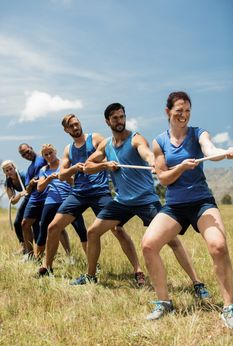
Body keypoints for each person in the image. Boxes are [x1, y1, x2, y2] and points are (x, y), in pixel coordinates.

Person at [75, 102, 208, 294]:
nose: (120, 121)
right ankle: (90, 275)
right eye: (115, 118)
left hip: (146, 200)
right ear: (107, 121)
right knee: (93, 232)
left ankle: (197, 283)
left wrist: (154, 162)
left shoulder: (136, 139)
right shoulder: (106, 144)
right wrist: (105, 165)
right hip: (122, 202)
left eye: (122, 117)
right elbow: (87, 166)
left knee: (172, 240)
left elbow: (146, 154)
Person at [142, 91, 233, 328]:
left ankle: (229, 307)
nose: (183, 116)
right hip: (174, 205)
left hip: (201, 202)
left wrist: (222, 153)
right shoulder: (159, 142)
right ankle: (164, 302)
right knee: (149, 245)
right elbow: (163, 178)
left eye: (187, 111)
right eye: (178, 111)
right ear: (167, 112)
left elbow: (209, 149)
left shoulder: (197, 133)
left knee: (218, 246)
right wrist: (181, 167)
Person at [39, 114, 145, 286]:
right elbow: (62, 174)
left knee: (117, 229)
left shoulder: (94, 138)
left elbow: (109, 153)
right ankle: (47, 267)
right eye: (71, 126)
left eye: (76, 124)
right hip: (78, 194)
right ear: (66, 130)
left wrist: (103, 165)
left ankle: (138, 271)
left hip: (100, 192)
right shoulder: (68, 149)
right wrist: (74, 167)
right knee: (53, 227)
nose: (75, 127)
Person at [35, 143, 87, 263]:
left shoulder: (65, 164)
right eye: (46, 154)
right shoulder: (44, 170)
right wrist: (49, 179)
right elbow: (39, 188)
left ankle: (91, 260)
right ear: (43, 156)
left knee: (81, 230)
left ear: (55, 152)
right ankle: (38, 261)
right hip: (51, 200)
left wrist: (64, 177)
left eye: (50, 153)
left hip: (69, 199)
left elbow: (75, 182)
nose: (49, 156)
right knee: (44, 228)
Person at [1, 160, 39, 254]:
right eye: (7, 170)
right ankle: (24, 247)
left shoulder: (23, 175)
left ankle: (39, 248)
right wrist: (20, 195)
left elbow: (29, 190)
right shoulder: (7, 182)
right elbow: (12, 201)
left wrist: (24, 193)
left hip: (35, 197)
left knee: (34, 223)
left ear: (14, 167)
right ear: (4, 172)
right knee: (17, 223)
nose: (9, 171)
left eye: (10, 169)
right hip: (27, 198)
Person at [18, 143, 47, 257]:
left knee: (52, 226)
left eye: (27, 151)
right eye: (23, 154)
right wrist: (30, 184)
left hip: (46, 196)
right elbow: (28, 190)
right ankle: (30, 255)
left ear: (31, 148)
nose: (26, 154)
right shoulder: (30, 168)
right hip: (34, 199)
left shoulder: (43, 158)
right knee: (24, 224)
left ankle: (68, 255)